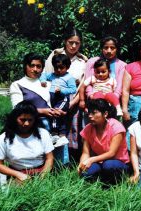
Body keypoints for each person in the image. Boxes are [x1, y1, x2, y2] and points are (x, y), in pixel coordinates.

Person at [10, 53, 68, 164]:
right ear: (25, 66)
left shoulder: (49, 83)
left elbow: (61, 99)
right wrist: (42, 111)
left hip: (54, 124)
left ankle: (59, 172)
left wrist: (58, 110)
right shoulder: (18, 84)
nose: (35, 69)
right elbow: (17, 109)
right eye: (32, 65)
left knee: (58, 158)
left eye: (39, 66)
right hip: (31, 125)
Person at [44, 25, 87, 163]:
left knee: (71, 132)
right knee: (54, 130)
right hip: (53, 99)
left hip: (72, 99)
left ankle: (69, 163)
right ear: (65, 41)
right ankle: (54, 163)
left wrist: (70, 105)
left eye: (77, 43)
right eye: (71, 42)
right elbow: (47, 77)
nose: (73, 46)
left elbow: (82, 85)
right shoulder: (55, 55)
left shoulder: (83, 61)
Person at [0, 101, 54, 182]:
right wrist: (18, 174)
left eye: (30, 120)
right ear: (15, 119)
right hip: (17, 174)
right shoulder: (4, 138)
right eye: (22, 120)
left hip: (41, 172)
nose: (27, 123)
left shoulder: (43, 134)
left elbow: (50, 158)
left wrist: (43, 176)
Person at [78, 99, 129, 183]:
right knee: (86, 172)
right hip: (100, 162)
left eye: (94, 113)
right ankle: (101, 181)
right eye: (89, 113)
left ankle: (116, 183)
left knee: (108, 165)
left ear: (105, 114)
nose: (90, 116)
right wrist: (82, 164)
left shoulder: (116, 127)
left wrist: (91, 160)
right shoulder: (88, 128)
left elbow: (111, 153)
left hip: (118, 163)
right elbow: (85, 153)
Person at [40, 54, 77, 147]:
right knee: (56, 115)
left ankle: (56, 133)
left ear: (67, 67)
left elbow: (73, 89)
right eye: (56, 68)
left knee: (55, 112)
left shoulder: (69, 77)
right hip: (52, 99)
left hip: (62, 99)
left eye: (61, 67)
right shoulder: (52, 75)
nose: (59, 70)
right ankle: (60, 134)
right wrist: (43, 81)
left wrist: (62, 91)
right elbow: (43, 75)